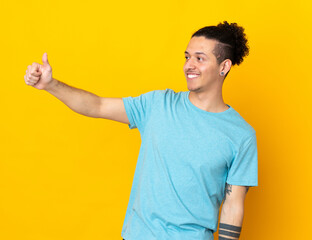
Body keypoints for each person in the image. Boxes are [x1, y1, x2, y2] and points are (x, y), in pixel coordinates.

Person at [24, 21, 258, 240]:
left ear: (224, 66)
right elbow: (97, 105)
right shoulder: (158, 105)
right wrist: (50, 85)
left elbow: (233, 204)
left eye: (200, 58)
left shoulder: (241, 135)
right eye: (187, 57)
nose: (189, 65)